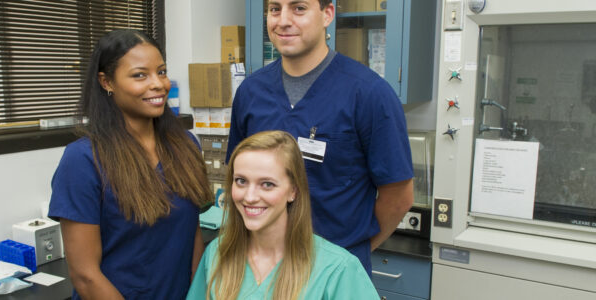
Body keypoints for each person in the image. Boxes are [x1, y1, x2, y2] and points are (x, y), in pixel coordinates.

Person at [226, 0, 414, 274]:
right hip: (263, 268)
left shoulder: (370, 94)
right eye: (275, 9)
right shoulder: (251, 93)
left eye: (299, 8)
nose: (283, 20)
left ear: (327, 14)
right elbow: (240, 182)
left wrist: (348, 256)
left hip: (334, 270)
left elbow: (398, 197)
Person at [48, 29, 212, 299]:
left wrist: (197, 293)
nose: (158, 84)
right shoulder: (83, 160)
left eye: (161, 72)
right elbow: (85, 276)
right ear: (106, 82)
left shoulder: (184, 146)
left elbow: (191, 235)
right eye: (140, 75)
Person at [187, 130, 379, 300]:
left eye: (267, 184)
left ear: (293, 190)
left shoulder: (337, 270)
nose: (250, 197)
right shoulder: (218, 254)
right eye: (241, 181)